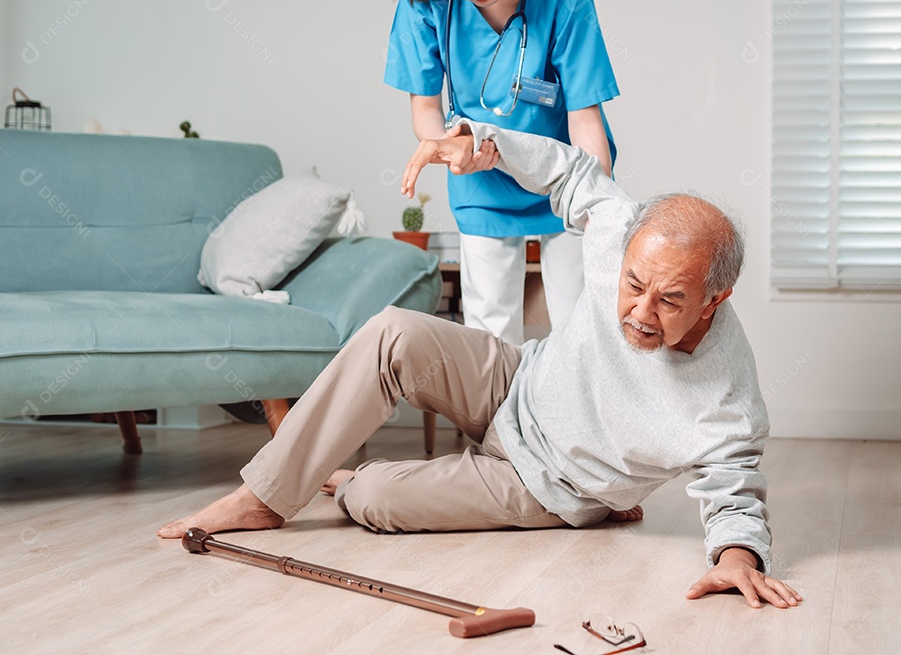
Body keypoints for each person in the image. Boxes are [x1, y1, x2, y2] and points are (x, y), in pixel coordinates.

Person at [159, 121, 801, 609]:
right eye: (633, 284)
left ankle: (346, 479)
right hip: (516, 383)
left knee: (376, 497)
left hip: (552, 485)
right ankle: (265, 496)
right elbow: (568, 170)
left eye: (670, 301)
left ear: (716, 298)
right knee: (392, 333)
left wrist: (738, 557)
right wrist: (481, 138)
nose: (639, 311)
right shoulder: (621, 231)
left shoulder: (728, 399)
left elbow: (735, 491)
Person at [385, 0, 620, 345]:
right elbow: (426, 110)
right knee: (489, 339)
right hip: (481, 174)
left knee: (581, 328)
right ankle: (501, 413)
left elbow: (584, 117)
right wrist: (450, 146)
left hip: (563, 177)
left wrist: (597, 207)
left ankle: (575, 410)